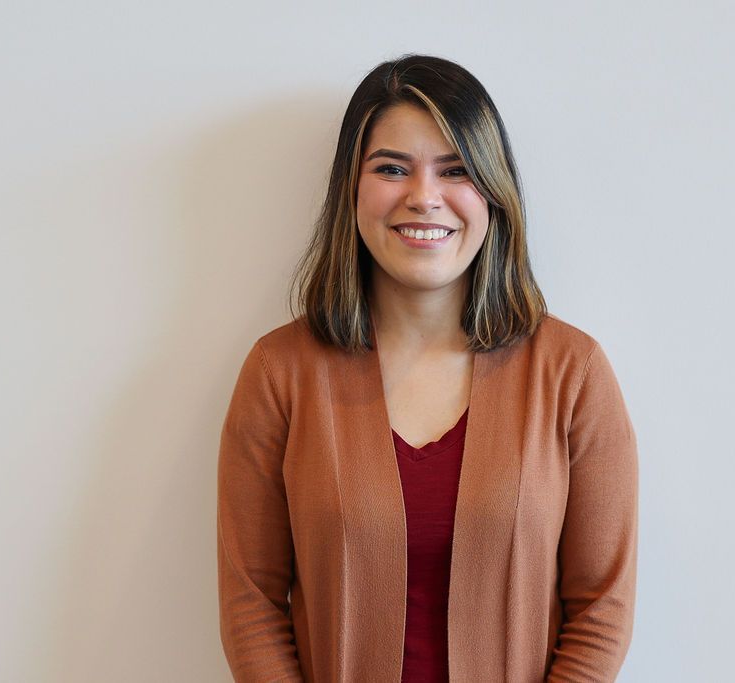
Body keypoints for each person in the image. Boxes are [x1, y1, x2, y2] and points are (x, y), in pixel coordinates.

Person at [217, 53, 639, 682]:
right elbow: (250, 602)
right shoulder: (280, 373)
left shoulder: (571, 373)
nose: (424, 198)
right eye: (392, 168)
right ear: (351, 189)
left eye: (456, 171)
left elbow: (602, 609)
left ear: (492, 193)